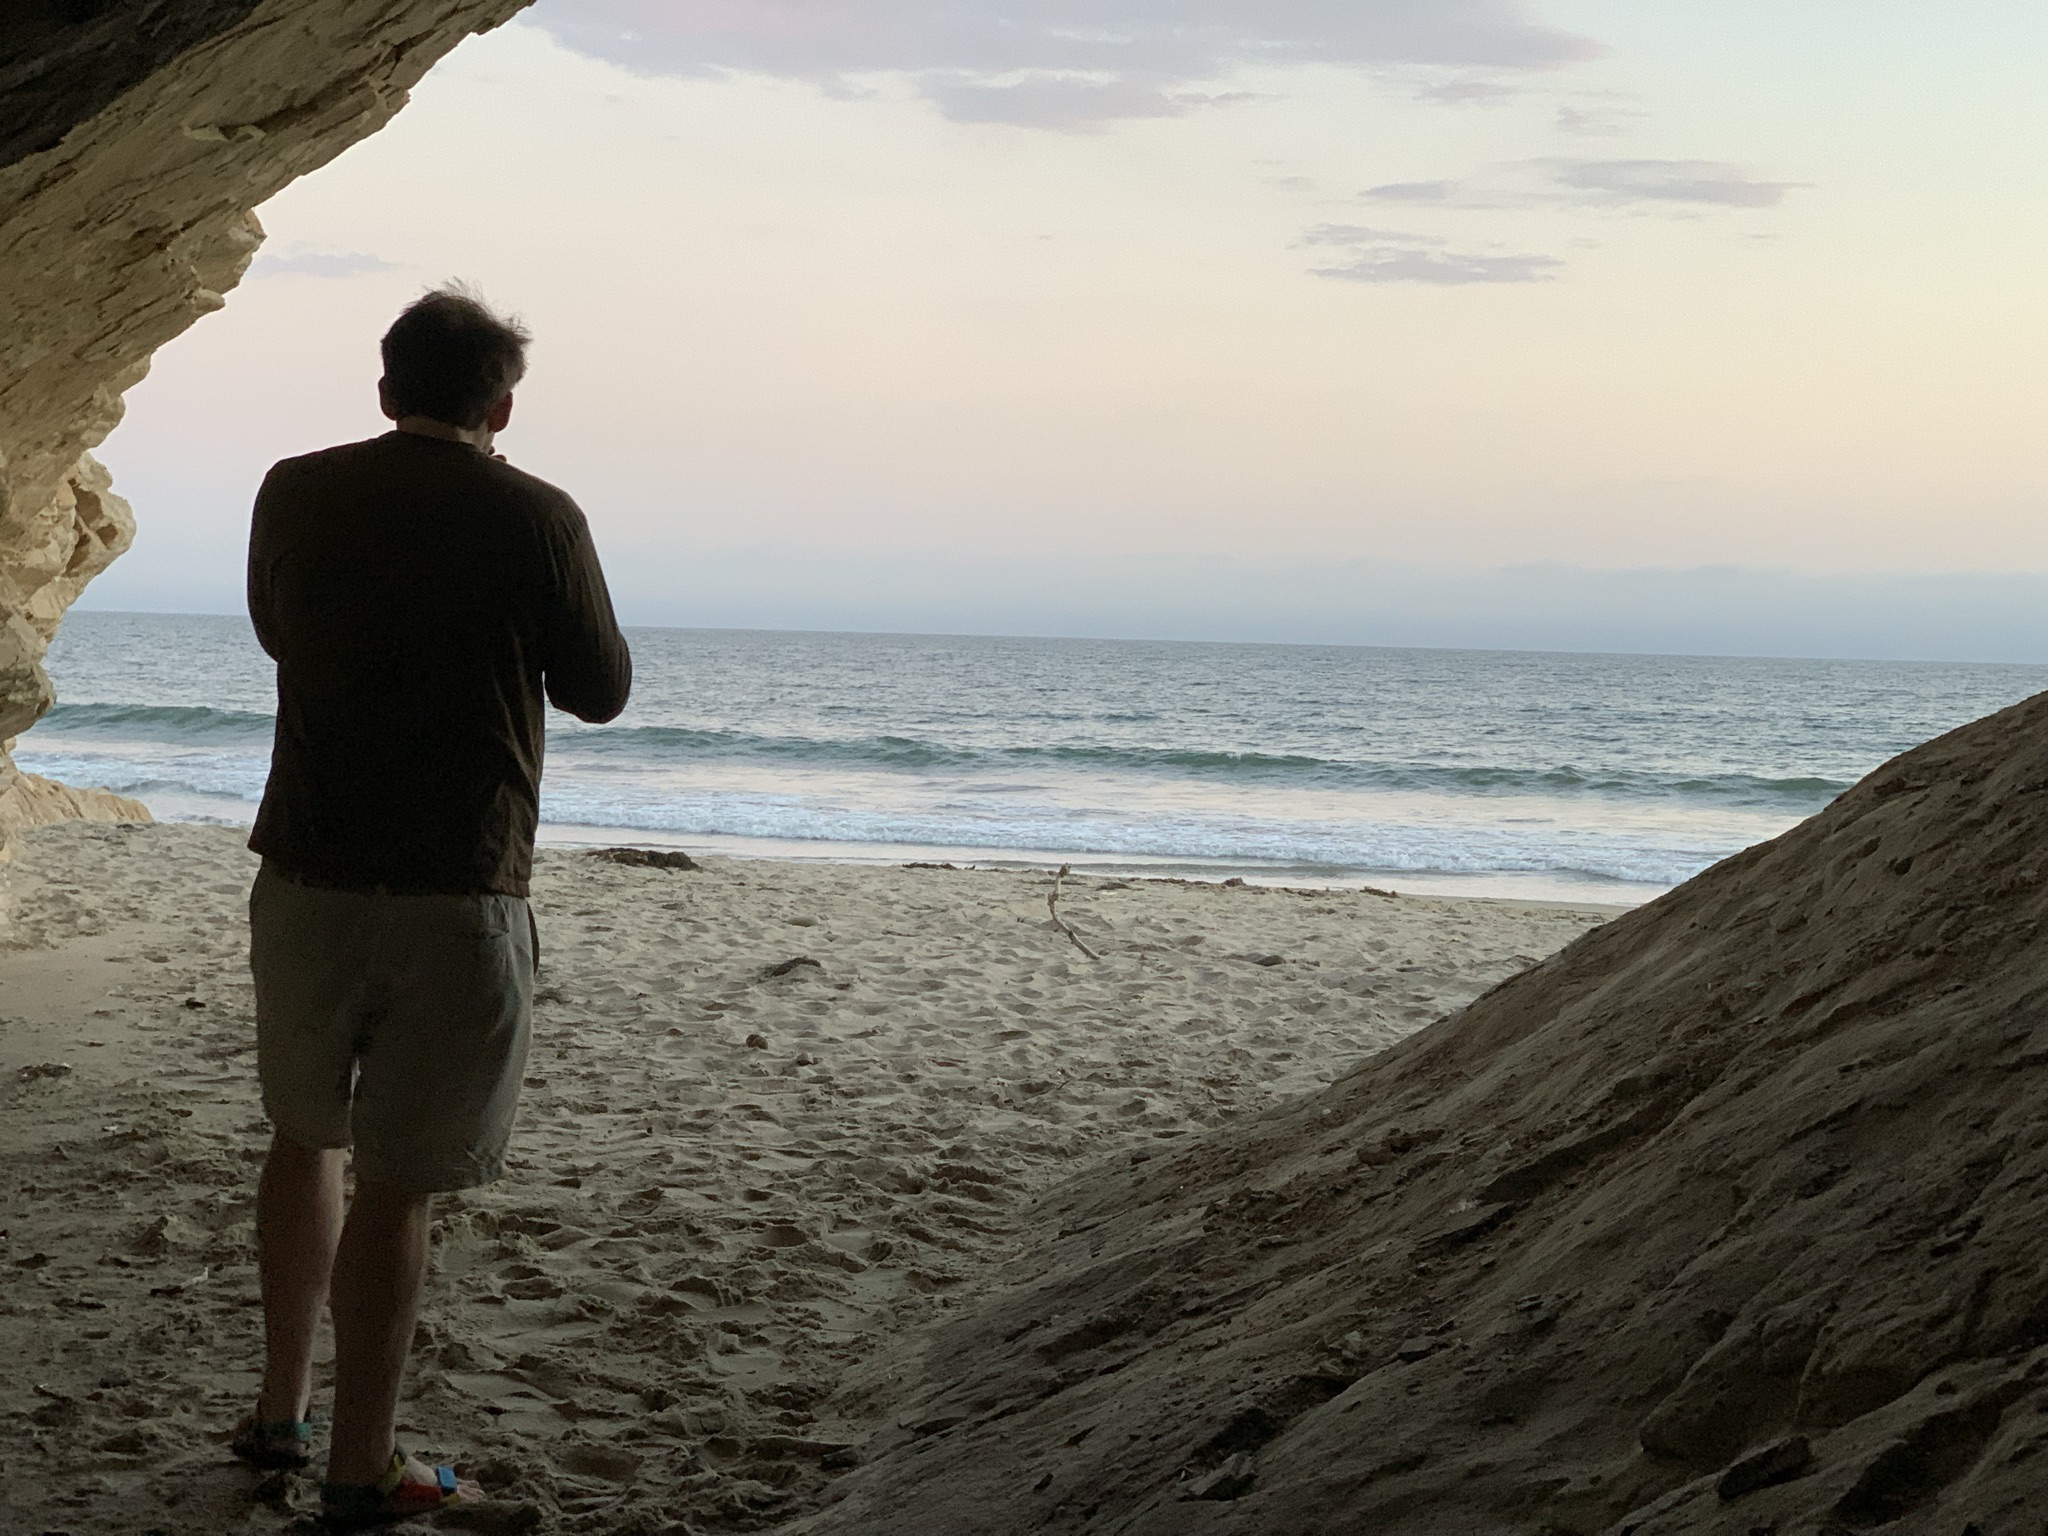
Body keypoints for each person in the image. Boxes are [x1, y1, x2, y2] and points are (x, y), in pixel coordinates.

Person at [232, 284, 631, 1527]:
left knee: (304, 1136)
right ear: (500, 407)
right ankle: (361, 1468)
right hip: (461, 884)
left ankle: (279, 1412)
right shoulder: (539, 515)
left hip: (306, 871)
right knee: (398, 1184)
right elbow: (600, 690)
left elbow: (277, 633)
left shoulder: (293, 489)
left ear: (385, 386)